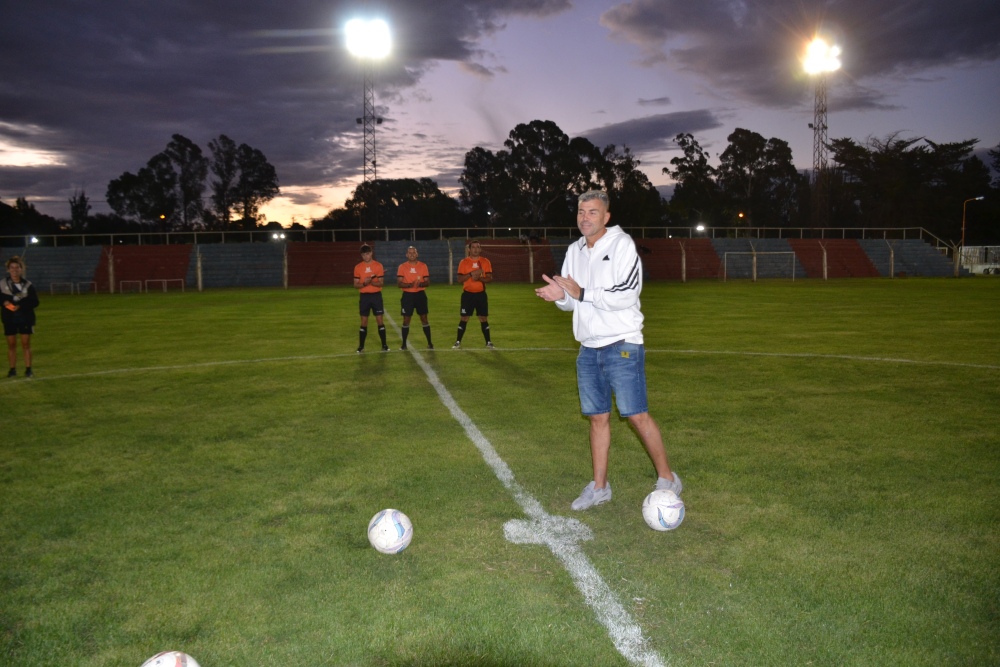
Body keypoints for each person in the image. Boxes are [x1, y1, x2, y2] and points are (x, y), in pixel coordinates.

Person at [535, 191, 681, 510]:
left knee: (636, 415)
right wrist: (558, 296)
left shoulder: (621, 244)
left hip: (622, 343)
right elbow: (572, 300)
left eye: (592, 212)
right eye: (580, 211)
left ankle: (668, 478)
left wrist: (582, 292)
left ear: (606, 217)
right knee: (597, 418)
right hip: (588, 348)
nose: (585, 217)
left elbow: (627, 293)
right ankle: (600, 487)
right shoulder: (574, 251)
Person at [1, 256, 39, 378]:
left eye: (17, 267)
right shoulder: (2, 284)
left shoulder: (28, 285)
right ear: (8, 269)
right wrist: (5, 303)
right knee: (11, 344)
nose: (15, 270)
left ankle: (28, 369)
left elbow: (35, 302)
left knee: (26, 344)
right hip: (9, 318)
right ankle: (12, 369)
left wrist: (20, 306)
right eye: (12, 268)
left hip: (25, 318)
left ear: (21, 269)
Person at [453, 240, 494, 349]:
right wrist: (471, 274)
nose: (475, 249)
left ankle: (488, 342)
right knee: (464, 317)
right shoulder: (464, 262)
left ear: (480, 249)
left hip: (481, 295)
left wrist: (479, 278)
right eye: (473, 247)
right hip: (467, 295)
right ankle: (457, 342)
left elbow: (489, 278)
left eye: (478, 247)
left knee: (483, 318)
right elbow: (459, 279)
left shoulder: (485, 262)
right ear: (469, 249)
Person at [353, 244, 389, 352]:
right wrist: (364, 283)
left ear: (371, 253)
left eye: (367, 254)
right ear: (361, 255)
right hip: (364, 297)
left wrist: (371, 282)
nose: (366, 256)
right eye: (363, 254)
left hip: (376, 296)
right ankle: (361, 346)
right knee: (364, 321)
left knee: (379, 320)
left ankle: (384, 345)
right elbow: (355, 285)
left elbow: (381, 283)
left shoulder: (378, 266)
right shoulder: (358, 267)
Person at [397, 245, 433, 350]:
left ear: (417, 254)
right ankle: (404, 344)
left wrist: (420, 284)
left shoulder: (423, 266)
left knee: (424, 318)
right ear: (406, 254)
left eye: (414, 253)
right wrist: (410, 285)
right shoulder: (402, 267)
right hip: (407, 296)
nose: (412, 254)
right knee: (406, 319)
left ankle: (430, 343)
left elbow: (427, 282)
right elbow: (399, 283)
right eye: (410, 253)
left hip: (420, 295)